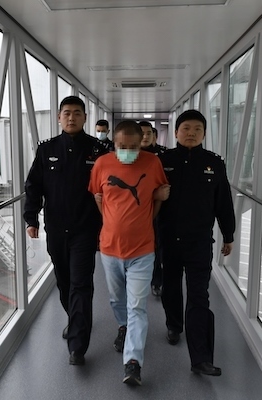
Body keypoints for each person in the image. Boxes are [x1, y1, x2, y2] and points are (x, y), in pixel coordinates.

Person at [24, 95, 109, 366]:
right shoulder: (46, 149)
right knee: (64, 281)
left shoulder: (98, 151)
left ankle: (77, 346)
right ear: (59, 117)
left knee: (81, 283)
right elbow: (33, 186)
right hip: (57, 228)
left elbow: (110, 189)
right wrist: (31, 219)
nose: (71, 117)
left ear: (85, 118)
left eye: (77, 113)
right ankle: (75, 319)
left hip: (86, 228)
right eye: (66, 113)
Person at [89, 120, 169, 386]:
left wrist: (147, 218)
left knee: (137, 306)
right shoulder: (102, 164)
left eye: (133, 146)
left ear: (141, 143)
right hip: (110, 248)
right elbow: (99, 197)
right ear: (114, 143)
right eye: (122, 146)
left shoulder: (152, 163)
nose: (127, 151)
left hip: (142, 249)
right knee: (117, 299)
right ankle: (123, 326)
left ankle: (133, 362)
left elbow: (158, 196)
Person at [157, 109, 235, 377]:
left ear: (204, 134)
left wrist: (229, 234)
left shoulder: (214, 163)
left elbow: (223, 202)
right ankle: (174, 324)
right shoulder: (163, 161)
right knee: (170, 286)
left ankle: (201, 357)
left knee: (199, 295)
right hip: (168, 238)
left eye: (197, 129)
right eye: (186, 129)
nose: (191, 133)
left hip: (200, 241)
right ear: (176, 132)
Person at [139, 121, 168, 297]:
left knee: (157, 246)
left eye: (149, 133)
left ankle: (157, 280)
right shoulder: (129, 155)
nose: (145, 136)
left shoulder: (164, 155)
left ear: (154, 135)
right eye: (141, 133)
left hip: (158, 210)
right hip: (136, 210)